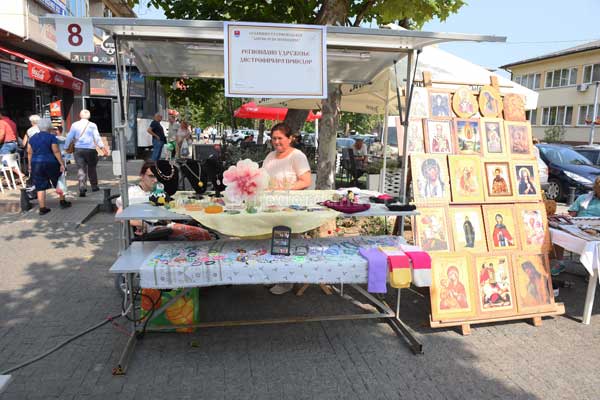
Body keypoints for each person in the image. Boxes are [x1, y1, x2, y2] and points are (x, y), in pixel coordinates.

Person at [262, 123, 311, 294]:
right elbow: (262, 177)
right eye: (274, 138)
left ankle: (286, 281)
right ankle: (275, 276)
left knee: (287, 243)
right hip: (272, 207)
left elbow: (306, 181)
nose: (276, 142)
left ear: (290, 139)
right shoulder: (270, 156)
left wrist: (284, 189)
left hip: (291, 208)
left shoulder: (297, 156)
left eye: (280, 138)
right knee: (273, 242)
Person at [27, 118, 71, 215]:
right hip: (51, 162)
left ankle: (42, 208)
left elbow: (29, 152)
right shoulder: (52, 137)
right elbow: (56, 151)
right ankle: (62, 201)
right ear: (49, 127)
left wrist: (29, 164)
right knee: (58, 181)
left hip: (36, 163)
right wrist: (61, 163)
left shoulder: (32, 138)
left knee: (40, 186)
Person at [64, 109, 108, 197]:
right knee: (92, 168)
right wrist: (102, 148)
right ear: (89, 116)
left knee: (81, 169)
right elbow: (97, 137)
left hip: (78, 149)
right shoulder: (92, 125)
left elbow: (69, 136)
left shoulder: (75, 125)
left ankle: (82, 188)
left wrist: (66, 147)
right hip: (90, 149)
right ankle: (94, 186)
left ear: (80, 116)